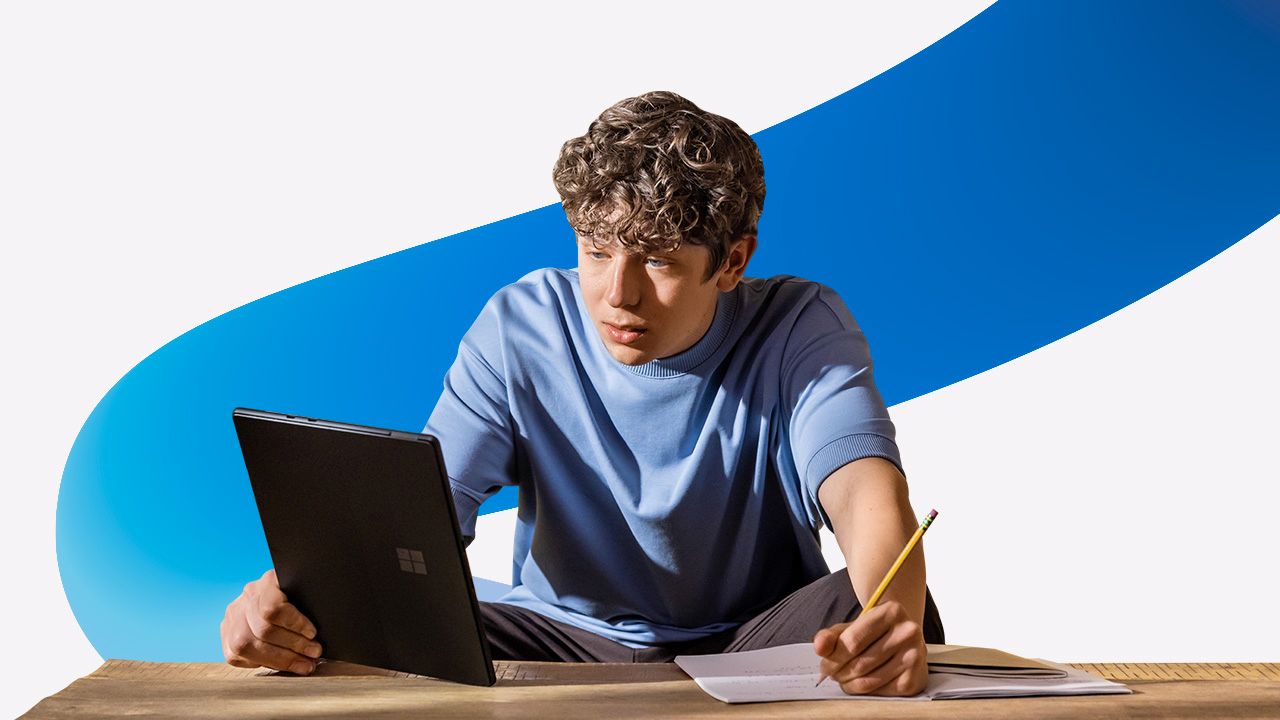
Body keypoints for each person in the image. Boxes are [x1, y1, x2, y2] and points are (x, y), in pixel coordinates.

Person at [221, 91, 944, 696]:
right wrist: (285, 604)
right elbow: (416, 521)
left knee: (880, 599)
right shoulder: (520, 326)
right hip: (561, 639)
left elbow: (864, 498)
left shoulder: (800, 324)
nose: (617, 295)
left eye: (657, 260)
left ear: (732, 260)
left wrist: (891, 625)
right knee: (349, 615)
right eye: (596, 252)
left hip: (756, 642)